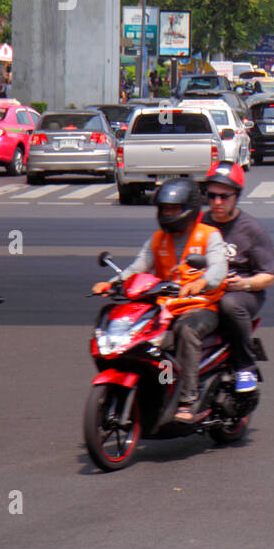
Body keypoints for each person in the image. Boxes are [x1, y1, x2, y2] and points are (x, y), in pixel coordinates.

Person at [92, 179, 227, 421]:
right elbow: (137, 268)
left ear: (190, 208)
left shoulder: (209, 236)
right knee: (140, 340)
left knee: (186, 332)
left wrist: (199, 284)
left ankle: (188, 398)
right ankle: (152, 392)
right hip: (165, 309)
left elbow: (218, 270)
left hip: (201, 307)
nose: (168, 214)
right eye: (165, 209)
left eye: (174, 209)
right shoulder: (157, 239)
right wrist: (112, 284)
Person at [199, 161, 274, 393]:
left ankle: (245, 367)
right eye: (211, 195)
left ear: (237, 196)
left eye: (224, 196)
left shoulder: (252, 230)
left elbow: (269, 276)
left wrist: (245, 283)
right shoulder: (200, 223)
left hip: (243, 293)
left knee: (229, 304)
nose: (217, 202)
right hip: (204, 289)